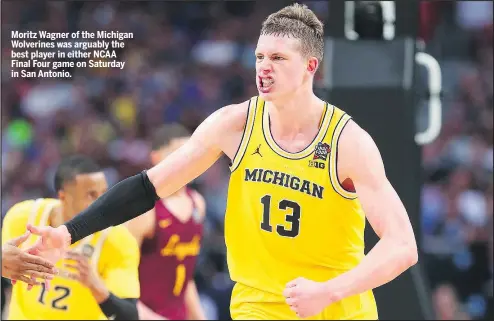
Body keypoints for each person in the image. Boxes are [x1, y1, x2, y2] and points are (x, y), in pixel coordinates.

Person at [26, 3, 418, 320]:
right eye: (259, 56)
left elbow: (402, 246)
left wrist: (329, 291)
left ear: (310, 67)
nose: (264, 66)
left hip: (339, 305)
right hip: (258, 304)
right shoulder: (234, 124)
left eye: (278, 57)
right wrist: (69, 232)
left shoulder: (348, 142)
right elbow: (148, 187)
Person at [2, 156, 140, 320]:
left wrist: (95, 287)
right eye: (91, 195)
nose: (103, 203)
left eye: (104, 193)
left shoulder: (118, 240)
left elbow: (130, 316)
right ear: (63, 197)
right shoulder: (22, 218)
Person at [124, 124, 206, 320]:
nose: (186, 162)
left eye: (190, 154)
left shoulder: (197, 203)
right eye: (178, 154)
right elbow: (118, 279)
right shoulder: (143, 210)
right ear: (156, 158)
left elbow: (187, 278)